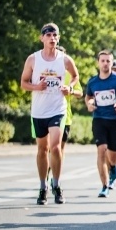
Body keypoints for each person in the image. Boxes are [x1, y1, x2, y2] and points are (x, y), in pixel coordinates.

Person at [20, 23, 80, 205]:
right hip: (39, 110)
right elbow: (23, 83)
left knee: (55, 147)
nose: (52, 38)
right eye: (48, 35)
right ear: (42, 38)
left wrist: (69, 87)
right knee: (42, 149)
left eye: (55, 35)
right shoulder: (33, 59)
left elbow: (76, 76)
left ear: (58, 38)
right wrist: (36, 87)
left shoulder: (65, 59)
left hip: (58, 109)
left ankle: (57, 184)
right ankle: (42, 186)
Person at [84, 50, 116, 197]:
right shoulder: (93, 81)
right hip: (99, 119)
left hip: (115, 121)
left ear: (111, 63)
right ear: (98, 63)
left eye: (108, 61)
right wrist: (90, 103)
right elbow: (88, 98)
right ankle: (104, 186)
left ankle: (113, 166)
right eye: (103, 61)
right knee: (101, 151)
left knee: (113, 157)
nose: (106, 63)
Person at [52, 46, 83, 191]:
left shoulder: (69, 75)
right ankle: (47, 174)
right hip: (46, 114)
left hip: (66, 116)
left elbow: (80, 93)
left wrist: (70, 90)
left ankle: (55, 176)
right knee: (48, 148)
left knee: (59, 149)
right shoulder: (48, 72)